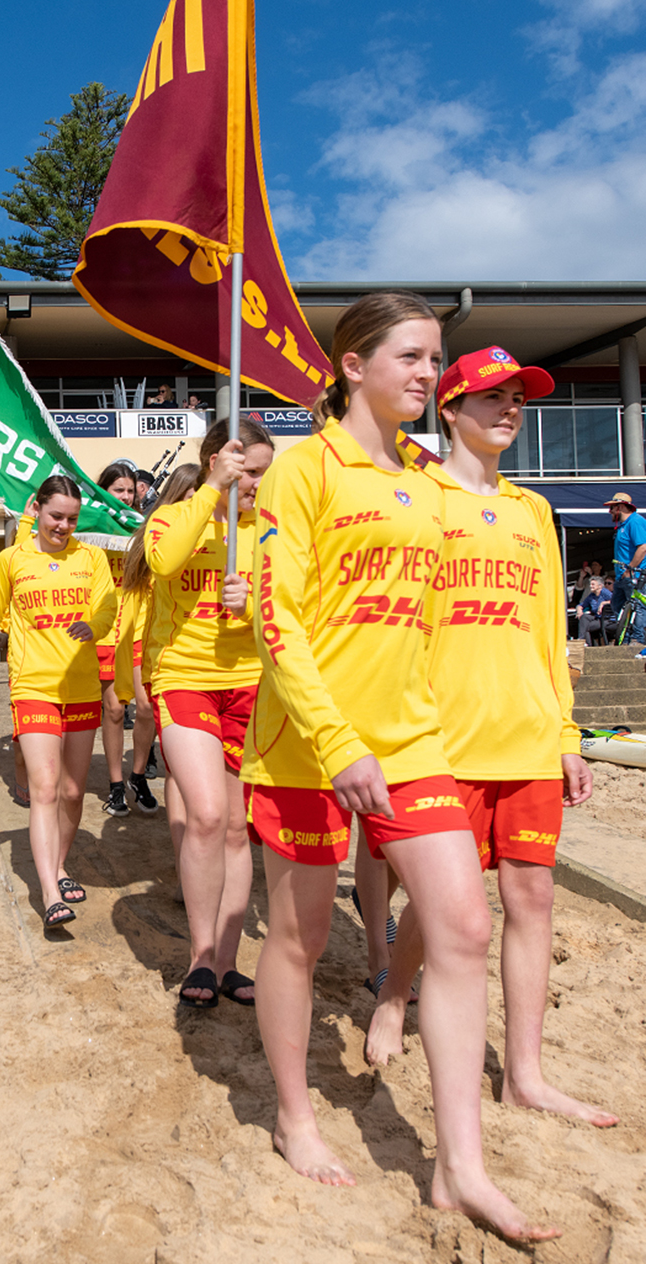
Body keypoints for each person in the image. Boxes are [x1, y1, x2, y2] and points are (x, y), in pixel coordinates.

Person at [240, 294, 559, 1240]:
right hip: (307, 745)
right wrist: (339, 744)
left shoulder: (429, 479)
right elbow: (276, 618)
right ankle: (296, 1116)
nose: (427, 373)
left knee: (460, 927)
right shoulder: (303, 470)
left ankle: (459, 1167)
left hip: (417, 742)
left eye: (435, 359)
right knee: (298, 937)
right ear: (353, 366)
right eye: (411, 357)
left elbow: (446, 621)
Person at [366, 345, 619, 1135]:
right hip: (441, 739)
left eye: (518, 399)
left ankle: (526, 1075)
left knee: (532, 898)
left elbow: (548, 634)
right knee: (446, 906)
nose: (509, 410)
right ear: (449, 408)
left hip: (529, 737)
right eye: (490, 399)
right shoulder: (417, 498)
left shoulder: (534, 511)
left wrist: (569, 734)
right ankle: (394, 993)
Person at [145, 420, 274, 1009]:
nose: (256, 485)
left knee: (234, 827)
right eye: (248, 473)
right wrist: (209, 493)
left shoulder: (270, 530)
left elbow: (295, 612)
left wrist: (256, 605)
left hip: (250, 683)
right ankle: (199, 955)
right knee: (204, 813)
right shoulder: (175, 517)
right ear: (218, 461)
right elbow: (166, 564)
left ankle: (227, 960)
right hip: (185, 679)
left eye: (262, 475)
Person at [0, 475, 117, 930]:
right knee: (44, 789)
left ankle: (61, 866)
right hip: (34, 689)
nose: (64, 526)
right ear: (37, 509)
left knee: (71, 791)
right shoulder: (12, 560)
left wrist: (95, 625)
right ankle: (49, 892)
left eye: (71, 518)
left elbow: (109, 607)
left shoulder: (92, 557)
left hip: (82, 688)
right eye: (55, 516)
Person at [119, 463, 199, 896]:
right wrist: (136, 676)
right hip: (165, 671)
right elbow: (136, 616)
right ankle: (189, 865)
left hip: (222, 674)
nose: (199, 506)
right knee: (180, 772)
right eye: (191, 498)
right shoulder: (158, 540)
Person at [93, 463, 156, 815]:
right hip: (107, 630)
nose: (126, 497)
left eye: (130, 491)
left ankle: (138, 774)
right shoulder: (91, 530)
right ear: (104, 492)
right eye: (118, 490)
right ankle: (116, 785)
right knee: (115, 710)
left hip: (140, 629)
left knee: (147, 707)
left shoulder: (145, 529)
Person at [605, 492, 646, 652]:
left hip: (634, 574)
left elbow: (643, 547)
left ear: (620, 507)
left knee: (637, 606)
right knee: (618, 606)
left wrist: (630, 569)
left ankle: (637, 639)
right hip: (622, 576)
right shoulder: (622, 526)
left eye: (612, 508)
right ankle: (625, 638)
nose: (610, 512)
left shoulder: (635, 522)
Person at [576, 574, 613, 644]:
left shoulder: (604, 592)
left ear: (600, 586)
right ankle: (582, 640)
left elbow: (615, 600)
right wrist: (579, 610)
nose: (590, 586)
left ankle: (584, 642)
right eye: (590, 584)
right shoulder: (591, 596)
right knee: (584, 617)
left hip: (607, 619)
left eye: (593, 584)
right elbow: (581, 605)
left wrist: (603, 603)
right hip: (597, 618)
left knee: (586, 627)